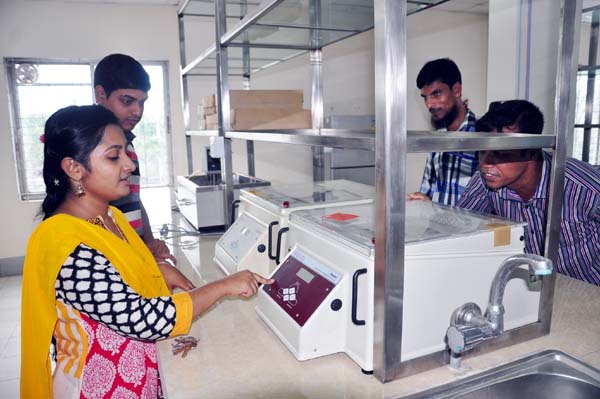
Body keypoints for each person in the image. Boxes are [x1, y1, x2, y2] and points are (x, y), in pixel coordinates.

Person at [20, 105, 272, 398]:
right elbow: (143, 319)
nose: (129, 164)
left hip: (136, 374)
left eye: (126, 153)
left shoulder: (110, 217)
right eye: (114, 156)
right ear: (74, 168)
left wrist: (156, 270)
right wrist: (223, 286)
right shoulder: (65, 242)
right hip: (100, 387)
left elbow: (117, 272)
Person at [456, 99, 600, 286]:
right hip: (536, 290)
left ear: (532, 152)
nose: (485, 163)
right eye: (482, 151)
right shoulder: (486, 181)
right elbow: (458, 229)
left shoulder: (582, 185)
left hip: (590, 293)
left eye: (500, 153)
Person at [93, 53, 191, 292]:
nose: (137, 111)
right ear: (101, 94)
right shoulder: (89, 144)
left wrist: (147, 243)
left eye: (142, 102)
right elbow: (94, 216)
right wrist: (136, 260)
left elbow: (134, 199)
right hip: (109, 263)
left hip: (132, 254)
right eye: (127, 101)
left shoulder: (128, 142)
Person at [407, 58, 478, 206]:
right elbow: (428, 193)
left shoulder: (483, 134)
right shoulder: (436, 138)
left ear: (456, 90)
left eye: (436, 94)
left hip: (476, 229)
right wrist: (423, 201)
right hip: (440, 227)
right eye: (425, 98)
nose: (429, 105)